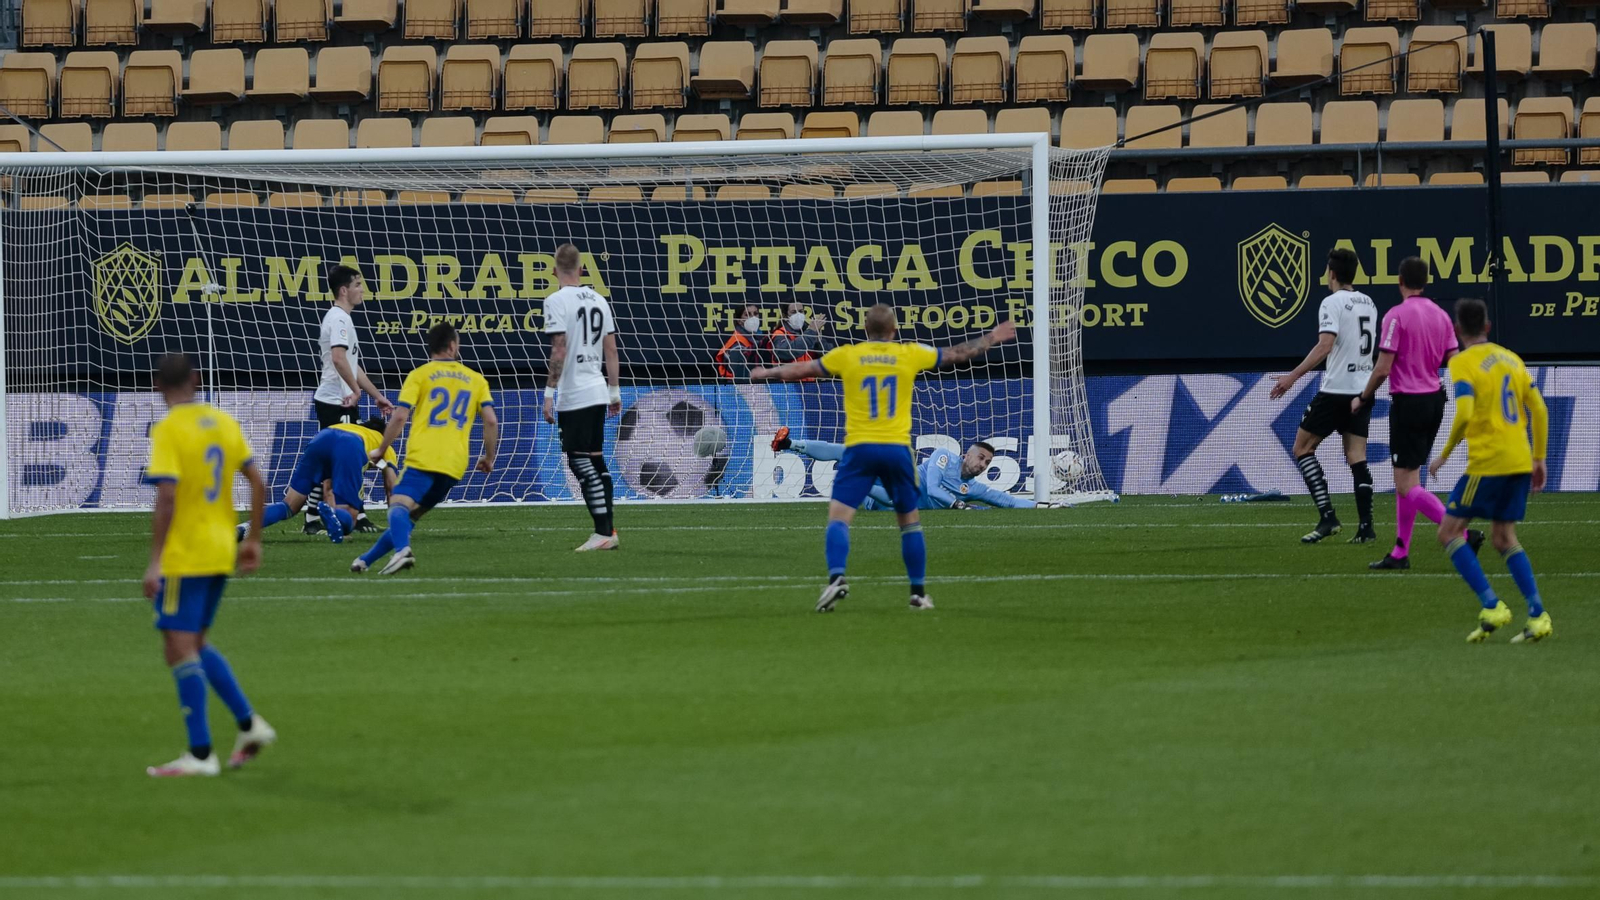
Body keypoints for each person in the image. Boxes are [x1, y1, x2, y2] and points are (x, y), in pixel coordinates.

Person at [752, 304, 1018, 612]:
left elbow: (802, 369)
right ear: (894, 331)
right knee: (909, 523)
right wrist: (992, 337)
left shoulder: (848, 355)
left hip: (860, 449)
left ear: (866, 330)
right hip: (897, 451)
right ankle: (917, 594)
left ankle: (837, 577)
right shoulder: (908, 353)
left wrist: (766, 372)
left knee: (839, 519)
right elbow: (957, 353)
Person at [141, 354, 276, 777]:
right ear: (197, 380)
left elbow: (167, 496)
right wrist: (252, 539)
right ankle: (250, 725)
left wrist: (156, 560)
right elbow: (259, 482)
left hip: (187, 553)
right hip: (221, 550)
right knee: (195, 642)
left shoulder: (169, 428)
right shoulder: (222, 421)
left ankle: (200, 755)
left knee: (177, 646)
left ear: (158, 385)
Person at [1428, 298, 1552, 643]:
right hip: (1519, 459)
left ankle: (1492, 604)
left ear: (1457, 330)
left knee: (1449, 533)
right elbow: (1539, 409)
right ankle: (1538, 614)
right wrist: (1539, 458)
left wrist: (1444, 454)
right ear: (1487, 326)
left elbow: (1465, 412)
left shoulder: (1461, 363)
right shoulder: (1511, 358)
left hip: (1488, 463)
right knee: (1503, 537)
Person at [1352, 257, 1478, 570]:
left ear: (1400, 281)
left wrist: (1363, 397)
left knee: (1407, 483)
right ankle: (1400, 552)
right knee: (1408, 478)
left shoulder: (1395, 316)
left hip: (1409, 401)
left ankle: (1461, 530)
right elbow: (1454, 359)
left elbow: (1383, 367)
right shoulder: (1440, 315)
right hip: (1436, 399)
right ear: (1425, 281)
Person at [354, 323, 498, 575]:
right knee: (409, 518)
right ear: (453, 346)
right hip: (454, 466)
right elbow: (491, 420)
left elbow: (399, 417)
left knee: (397, 505)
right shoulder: (476, 379)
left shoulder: (420, 375)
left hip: (424, 457)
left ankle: (402, 551)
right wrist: (488, 457)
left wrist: (381, 449)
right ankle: (365, 560)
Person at [1269, 248, 1378, 544]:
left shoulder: (1331, 302)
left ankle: (1328, 517)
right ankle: (1366, 527)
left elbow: (1324, 346)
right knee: (1357, 456)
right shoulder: (1368, 302)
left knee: (1302, 448)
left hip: (1336, 390)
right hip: (1362, 389)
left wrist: (1291, 378)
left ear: (1331, 273)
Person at [543, 243, 624, 552]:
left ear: (554, 270)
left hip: (575, 393)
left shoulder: (555, 300)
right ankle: (607, 530)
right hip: (597, 388)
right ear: (581, 269)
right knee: (594, 458)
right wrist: (614, 391)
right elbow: (612, 349)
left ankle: (603, 532)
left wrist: (550, 392)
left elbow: (559, 348)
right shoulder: (599, 299)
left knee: (579, 460)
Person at [307, 265, 393, 535]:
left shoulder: (340, 318)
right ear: (344, 290)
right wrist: (354, 392)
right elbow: (338, 358)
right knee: (346, 460)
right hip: (337, 402)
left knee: (346, 459)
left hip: (339, 400)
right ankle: (325, 516)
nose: (362, 289)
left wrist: (376, 395)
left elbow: (351, 365)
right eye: (357, 284)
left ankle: (345, 514)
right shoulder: (340, 319)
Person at [772, 430, 1036, 509]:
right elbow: (931, 487)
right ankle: (790, 443)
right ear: (966, 452)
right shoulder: (944, 456)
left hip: (879, 501)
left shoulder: (973, 488)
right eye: (980, 457)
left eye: (987, 463)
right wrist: (957, 504)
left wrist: (1038, 505)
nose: (982, 464)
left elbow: (1007, 501)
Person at [244, 418, 398, 544]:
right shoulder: (384, 445)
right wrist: (397, 526)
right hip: (351, 445)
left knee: (289, 505)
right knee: (350, 518)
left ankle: (243, 528)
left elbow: (328, 487)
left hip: (322, 437)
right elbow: (392, 487)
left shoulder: (349, 426)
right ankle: (335, 516)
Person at [715, 303, 767, 381]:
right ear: (739, 321)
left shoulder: (757, 336)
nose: (753, 317)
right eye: (747, 314)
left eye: (755, 314)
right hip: (733, 385)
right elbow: (737, 370)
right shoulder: (737, 342)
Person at [767, 302, 827, 371]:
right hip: (788, 381)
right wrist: (811, 332)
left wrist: (818, 341)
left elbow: (825, 356)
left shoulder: (808, 331)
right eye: (794, 312)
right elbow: (788, 352)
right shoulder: (779, 334)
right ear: (785, 316)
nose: (798, 315)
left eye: (801, 311)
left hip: (810, 380)